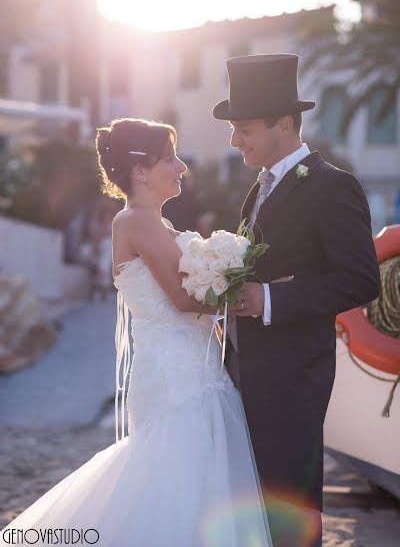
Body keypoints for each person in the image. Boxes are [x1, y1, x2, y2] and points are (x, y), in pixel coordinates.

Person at [0, 118, 272, 547]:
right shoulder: (137, 221)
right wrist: (248, 294)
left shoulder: (154, 223)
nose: (182, 166)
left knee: (191, 480)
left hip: (190, 368)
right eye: (170, 158)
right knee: (176, 478)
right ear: (141, 171)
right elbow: (184, 301)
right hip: (177, 376)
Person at [213, 53, 381, 547]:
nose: (233, 140)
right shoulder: (259, 186)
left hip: (293, 377)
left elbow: (359, 279)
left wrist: (268, 299)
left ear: (284, 124)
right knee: (256, 503)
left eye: (243, 128)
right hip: (245, 372)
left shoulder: (333, 186)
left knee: (291, 509)